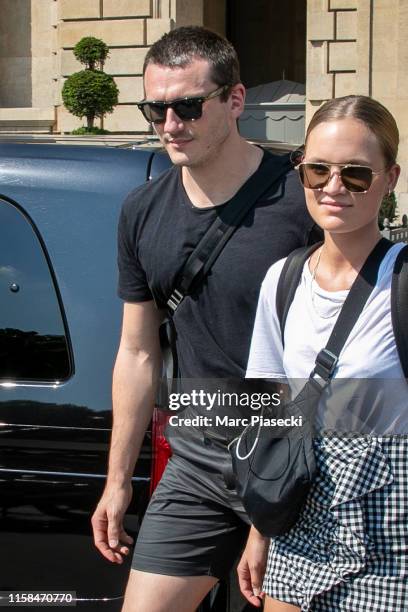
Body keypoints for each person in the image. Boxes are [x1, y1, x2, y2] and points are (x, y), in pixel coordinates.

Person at [91, 25, 318, 612]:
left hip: (292, 463)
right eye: (156, 109)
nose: (170, 125)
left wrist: (267, 519)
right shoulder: (142, 210)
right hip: (196, 462)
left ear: (235, 100)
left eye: (188, 106)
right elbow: (137, 352)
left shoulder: (301, 203)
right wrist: (118, 481)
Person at [239, 95, 407, 611]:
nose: (333, 188)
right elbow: (270, 411)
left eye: (355, 174)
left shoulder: (401, 279)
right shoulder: (283, 279)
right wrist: (259, 529)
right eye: (318, 170)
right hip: (299, 517)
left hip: (392, 530)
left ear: (390, 179)